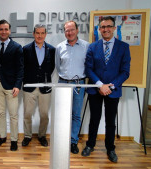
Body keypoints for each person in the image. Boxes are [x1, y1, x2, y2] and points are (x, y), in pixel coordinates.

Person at [81, 16, 131, 163]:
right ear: (99, 29)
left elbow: (125, 72)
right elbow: (88, 69)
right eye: (103, 27)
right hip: (95, 89)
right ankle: (90, 145)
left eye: (109, 26)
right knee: (94, 119)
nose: (106, 29)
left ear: (114, 28)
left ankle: (110, 148)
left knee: (110, 121)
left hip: (113, 91)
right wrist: (99, 84)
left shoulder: (123, 47)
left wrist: (110, 86)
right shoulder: (93, 46)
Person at [0, 19, 24, 151]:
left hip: (11, 86)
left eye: (6, 29)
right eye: (1, 29)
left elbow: (21, 68)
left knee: (13, 115)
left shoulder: (17, 47)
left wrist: (17, 85)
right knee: (0, 113)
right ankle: (2, 137)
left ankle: (14, 140)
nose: (3, 31)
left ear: (9, 31)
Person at [55, 20, 89, 154]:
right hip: (63, 82)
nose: (69, 33)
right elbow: (58, 66)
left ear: (77, 30)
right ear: (64, 32)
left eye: (72, 30)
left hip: (79, 84)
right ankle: (62, 141)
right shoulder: (59, 47)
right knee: (62, 114)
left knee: (76, 114)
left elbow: (89, 65)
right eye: (67, 30)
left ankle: (73, 141)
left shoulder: (86, 46)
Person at [22, 24, 55, 147]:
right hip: (29, 86)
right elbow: (23, 67)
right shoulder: (25, 49)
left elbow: (51, 67)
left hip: (45, 86)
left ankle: (42, 136)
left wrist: (43, 78)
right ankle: (27, 136)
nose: (40, 35)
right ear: (33, 34)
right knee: (27, 113)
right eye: (37, 33)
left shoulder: (52, 49)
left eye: (42, 33)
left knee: (44, 114)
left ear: (45, 34)